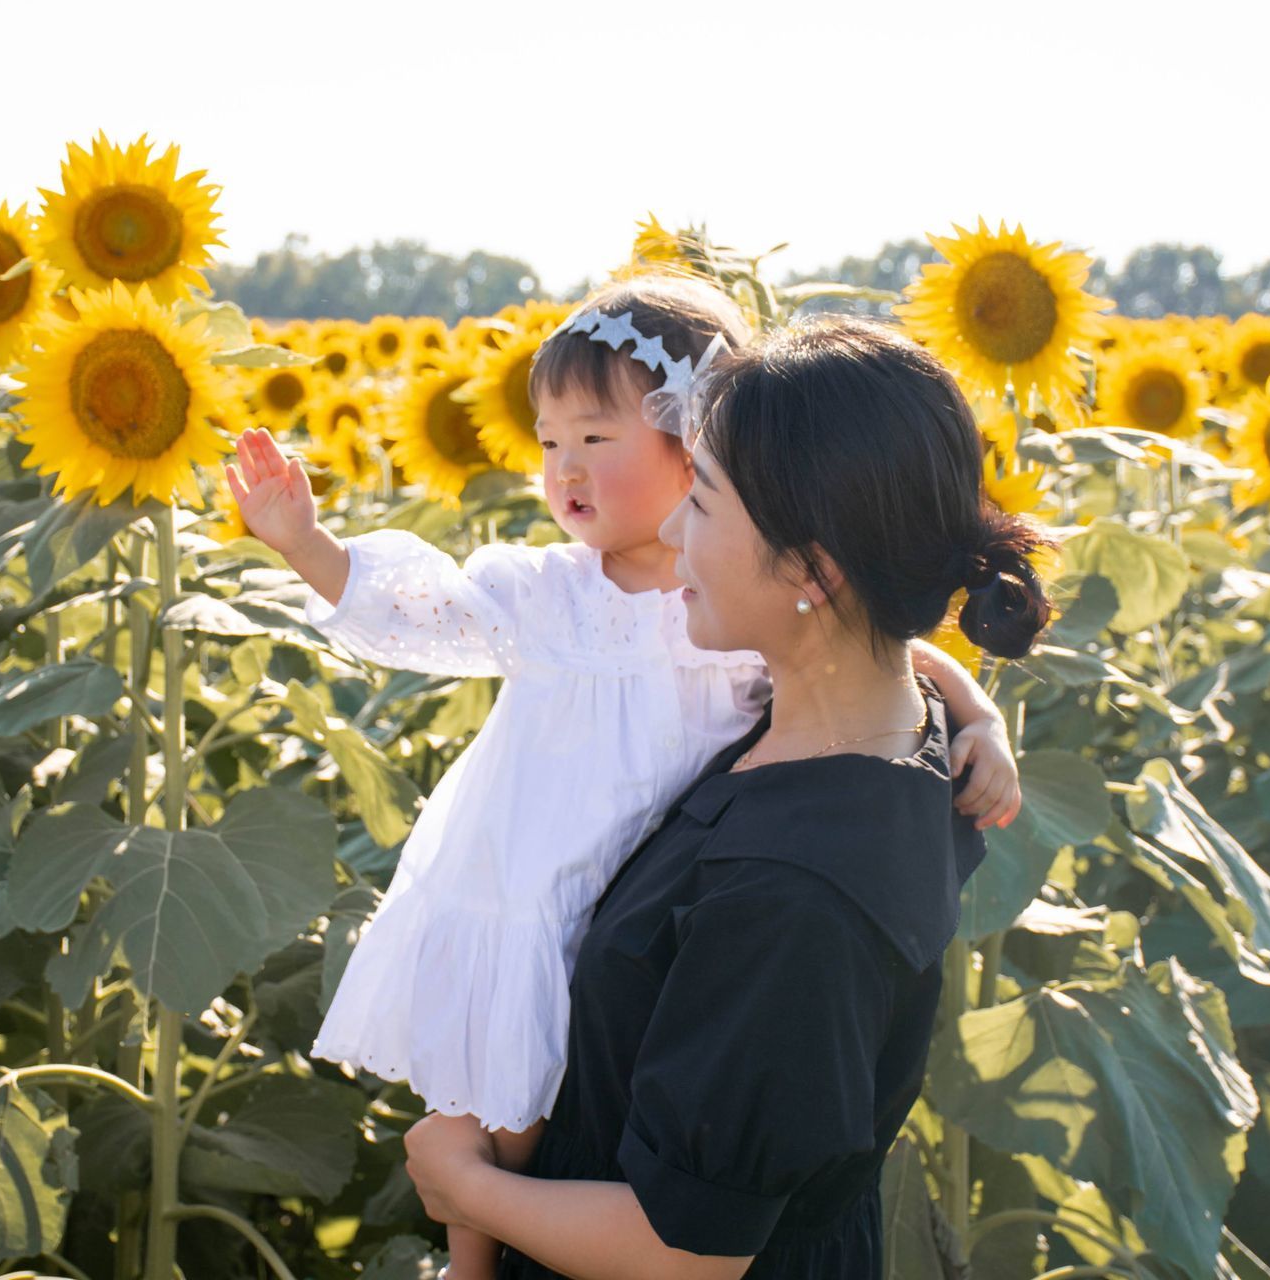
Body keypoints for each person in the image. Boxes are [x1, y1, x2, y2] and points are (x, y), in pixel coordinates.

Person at [225, 279, 1024, 1278]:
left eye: (704, 493)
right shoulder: (851, 721)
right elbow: (429, 607)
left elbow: (692, 1249)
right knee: (502, 1074)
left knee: (493, 1123)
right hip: (538, 905)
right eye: (549, 441)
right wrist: (312, 546)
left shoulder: (795, 893)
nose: (674, 532)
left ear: (810, 572)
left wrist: (466, 1190)